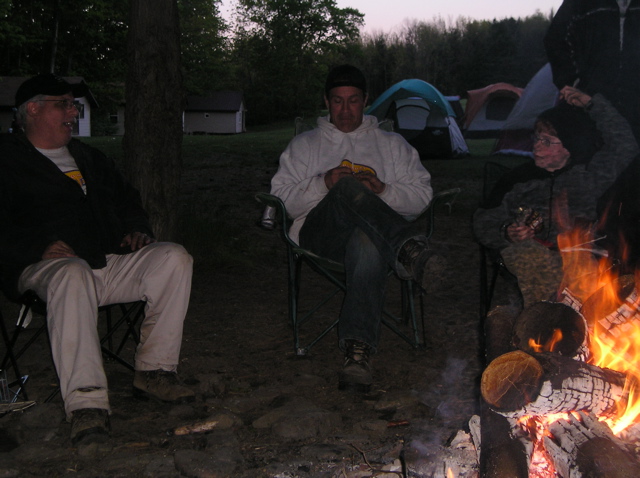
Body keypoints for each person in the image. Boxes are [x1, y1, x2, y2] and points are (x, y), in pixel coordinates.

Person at [0, 74, 195, 451]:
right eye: (64, 104)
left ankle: (154, 371)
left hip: (104, 260)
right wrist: (36, 245)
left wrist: (136, 229)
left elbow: (127, 199)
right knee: (72, 274)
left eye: (74, 104)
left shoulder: (89, 157)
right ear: (33, 109)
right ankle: (86, 404)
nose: (73, 112)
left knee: (173, 257)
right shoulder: (7, 160)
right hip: (42, 267)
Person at [270, 64, 444, 393]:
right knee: (347, 188)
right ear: (326, 101)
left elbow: (422, 197)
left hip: (375, 244)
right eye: (337, 101)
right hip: (319, 237)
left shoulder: (392, 145)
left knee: (365, 241)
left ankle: (357, 353)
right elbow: (281, 202)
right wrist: (323, 183)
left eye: (353, 101)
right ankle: (410, 251)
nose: (345, 110)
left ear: (366, 101)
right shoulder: (305, 146)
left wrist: (383, 191)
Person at [473, 86, 639, 310]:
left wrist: (592, 104)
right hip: (528, 251)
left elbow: (624, 145)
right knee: (540, 266)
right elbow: (483, 220)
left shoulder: (587, 176)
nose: (537, 146)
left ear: (569, 147)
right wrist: (507, 231)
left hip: (577, 252)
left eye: (547, 141)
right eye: (537, 138)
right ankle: (543, 331)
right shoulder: (517, 180)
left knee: (594, 277)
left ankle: (583, 334)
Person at [544, 0, 640, 143]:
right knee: (596, 153)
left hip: (635, 101)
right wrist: (572, 83)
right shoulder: (581, 3)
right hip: (591, 99)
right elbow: (556, 39)